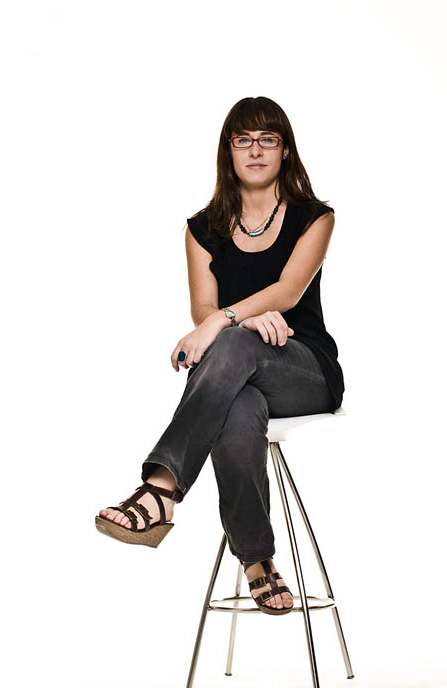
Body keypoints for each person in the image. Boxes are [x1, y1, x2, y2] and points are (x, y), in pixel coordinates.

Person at [95, 95, 345, 616]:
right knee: (238, 406)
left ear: (285, 150)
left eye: (267, 139)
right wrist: (236, 321)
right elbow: (203, 308)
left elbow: (287, 293)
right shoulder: (201, 228)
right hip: (239, 373)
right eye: (243, 139)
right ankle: (258, 560)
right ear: (228, 150)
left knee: (228, 343)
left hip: (304, 368)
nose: (255, 150)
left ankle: (161, 488)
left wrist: (223, 322)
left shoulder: (314, 218)